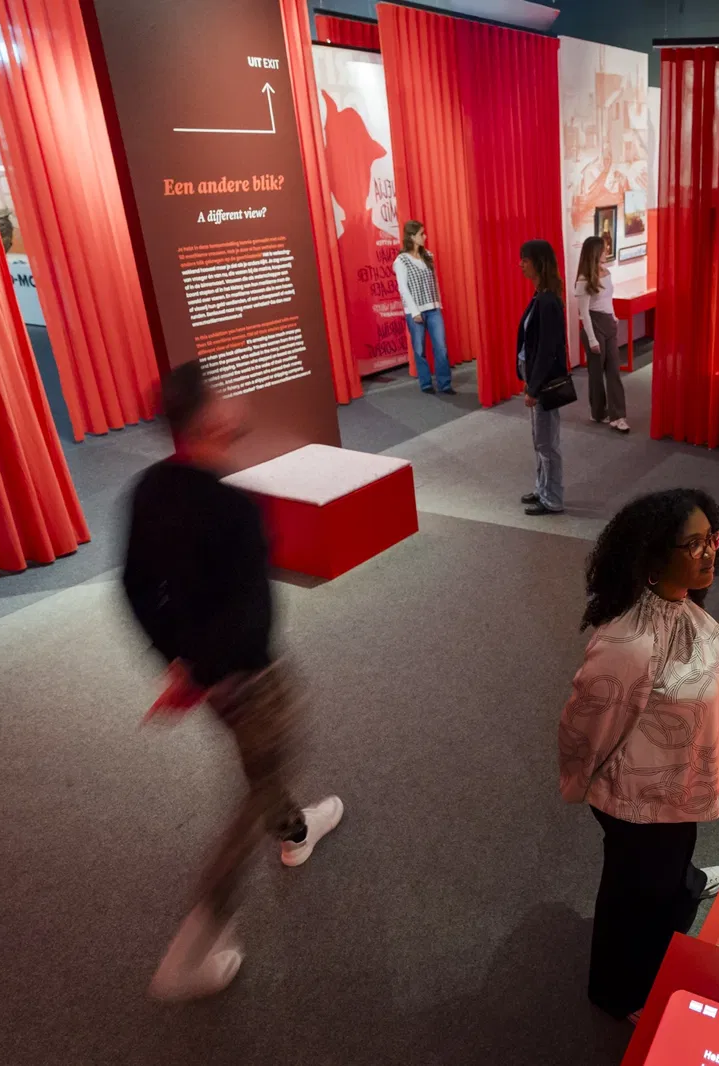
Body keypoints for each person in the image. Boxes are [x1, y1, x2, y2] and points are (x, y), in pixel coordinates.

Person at [121, 362, 344, 1002]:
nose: (237, 399)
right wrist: (211, 671)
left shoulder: (150, 488)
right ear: (211, 418)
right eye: (225, 394)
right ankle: (190, 949)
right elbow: (251, 618)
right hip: (249, 678)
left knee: (261, 766)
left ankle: (295, 833)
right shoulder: (232, 509)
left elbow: (135, 586)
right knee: (256, 791)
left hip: (210, 679)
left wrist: (177, 662)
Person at [558, 489, 719, 1022]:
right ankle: (619, 993)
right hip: (638, 801)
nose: (709, 553)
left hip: (678, 788)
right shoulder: (629, 644)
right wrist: (583, 783)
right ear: (653, 557)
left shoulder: (684, 610)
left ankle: (687, 887)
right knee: (633, 894)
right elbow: (585, 725)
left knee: (673, 862)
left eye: (712, 539)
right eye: (693, 545)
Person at [517, 238, 569, 516]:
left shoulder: (548, 301)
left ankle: (553, 498)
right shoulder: (541, 296)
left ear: (538, 262)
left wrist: (534, 388)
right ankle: (542, 488)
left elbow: (548, 350)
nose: (521, 265)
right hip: (536, 378)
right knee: (540, 440)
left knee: (547, 443)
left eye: (525, 260)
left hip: (544, 382)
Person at [393, 220, 454, 395]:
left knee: (441, 347)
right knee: (419, 349)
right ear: (412, 237)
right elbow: (403, 288)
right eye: (421, 234)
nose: (425, 237)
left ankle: (445, 384)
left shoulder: (428, 255)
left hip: (433, 308)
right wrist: (415, 311)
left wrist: (438, 303)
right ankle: (426, 382)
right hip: (415, 312)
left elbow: (434, 281)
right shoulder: (401, 261)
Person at [575, 235, 628, 433]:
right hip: (594, 325)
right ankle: (598, 412)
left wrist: (613, 317)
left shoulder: (607, 272)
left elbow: (608, 299)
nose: (606, 252)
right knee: (596, 374)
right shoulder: (583, 280)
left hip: (608, 323)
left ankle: (618, 416)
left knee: (614, 371)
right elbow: (584, 313)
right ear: (595, 253)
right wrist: (591, 339)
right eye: (604, 249)